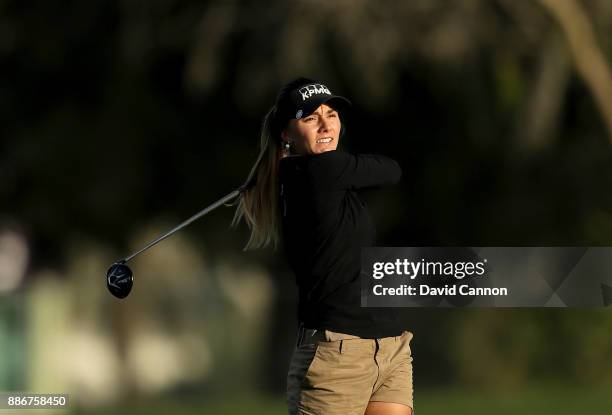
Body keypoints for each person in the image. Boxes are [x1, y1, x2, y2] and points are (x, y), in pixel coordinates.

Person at [232, 78, 414, 415]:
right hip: (336, 358)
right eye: (310, 117)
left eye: (331, 113)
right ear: (286, 133)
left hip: (390, 346)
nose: (326, 124)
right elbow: (391, 170)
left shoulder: (301, 174)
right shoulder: (321, 171)